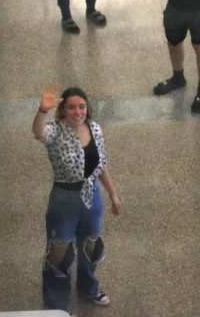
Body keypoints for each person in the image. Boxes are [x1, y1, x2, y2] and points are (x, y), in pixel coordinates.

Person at [32, 82, 122, 313]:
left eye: (82, 107)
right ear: (62, 110)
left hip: (92, 195)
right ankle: (56, 304)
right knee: (59, 253)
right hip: (64, 199)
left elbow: (101, 165)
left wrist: (112, 193)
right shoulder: (56, 131)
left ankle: (88, 287)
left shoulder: (95, 129)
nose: (77, 112)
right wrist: (42, 110)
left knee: (91, 246)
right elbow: (38, 132)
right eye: (71, 107)